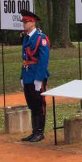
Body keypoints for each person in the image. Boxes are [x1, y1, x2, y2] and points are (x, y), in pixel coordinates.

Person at [20, 11, 50, 142]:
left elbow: (43, 61)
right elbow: (24, 59)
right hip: (27, 75)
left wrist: (39, 79)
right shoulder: (26, 38)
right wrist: (22, 77)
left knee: (39, 104)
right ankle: (34, 131)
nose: (24, 25)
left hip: (37, 76)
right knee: (31, 104)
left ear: (32, 23)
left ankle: (40, 132)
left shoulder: (41, 38)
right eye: (23, 22)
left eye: (26, 22)